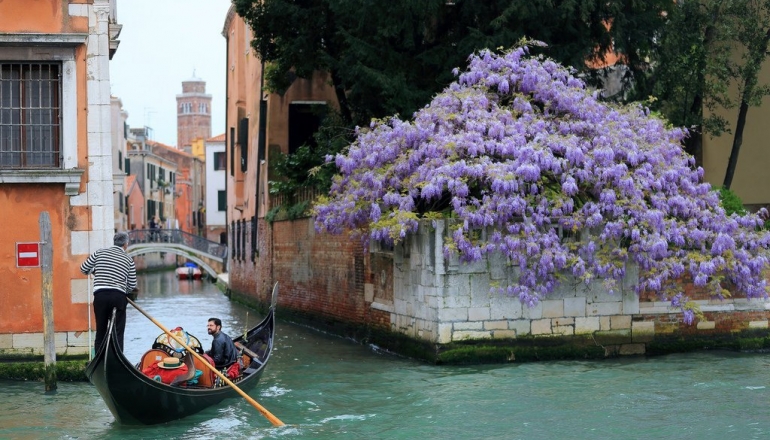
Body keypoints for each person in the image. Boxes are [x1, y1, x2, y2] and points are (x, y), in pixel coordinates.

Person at [80, 231, 138, 352]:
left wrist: (95, 271)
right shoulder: (128, 259)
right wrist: (124, 291)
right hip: (118, 296)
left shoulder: (99, 253)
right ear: (126, 244)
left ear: (114, 242)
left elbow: (84, 268)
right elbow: (132, 284)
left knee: (101, 330)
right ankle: (118, 357)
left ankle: (99, 359)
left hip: (100, 296)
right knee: (118, 331)